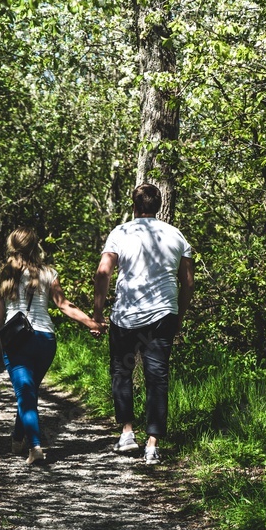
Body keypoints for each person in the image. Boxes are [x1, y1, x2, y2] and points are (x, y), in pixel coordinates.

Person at [92, 183, 195, 464]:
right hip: (163, 317)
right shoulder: (176, 236)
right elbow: (188, 282)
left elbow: (103, 273)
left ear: (134, 205)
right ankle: (152, 445)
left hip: (126, 317)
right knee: (157, 378)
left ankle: (127, 433)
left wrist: (98, 314)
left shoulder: (121, 232)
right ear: (159, 206)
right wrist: (179, 315)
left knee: (122, 371)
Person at [0, 227, 100, 465]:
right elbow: (64, 305)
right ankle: (17, 437)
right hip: (45, 340)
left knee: (25, 393)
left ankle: (35, 447)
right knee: (28, 392)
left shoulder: (3, 276)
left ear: (11, 245)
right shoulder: (47, 272)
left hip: (16, 340)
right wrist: (91, 322)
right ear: (34, 246)